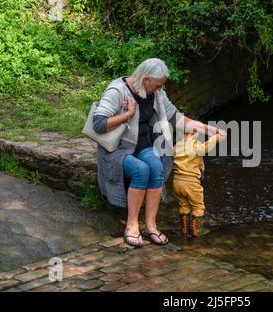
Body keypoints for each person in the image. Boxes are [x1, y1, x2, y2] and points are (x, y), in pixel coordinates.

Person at [92, 58, 225, 247]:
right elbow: (98, 125)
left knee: (156, 166)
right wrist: (127, 115)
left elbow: (176, 118)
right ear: (145, 80)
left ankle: (150, 226)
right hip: (119, 149)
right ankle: (131, 226)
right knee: (140, 170)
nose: (160, 88)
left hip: (144, 145)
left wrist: (209, 130)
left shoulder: (156, 93)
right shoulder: (117, 91)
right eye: (158, 85)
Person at [173, 128, 225, 237]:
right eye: (198, 133)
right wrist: (215, 138)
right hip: (191, 182)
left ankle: (184, 230)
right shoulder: (195, 145)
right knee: (198, 207)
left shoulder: (176, 146)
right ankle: (197, 232)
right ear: (194, 133)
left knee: (183, 205)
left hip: (177, 182)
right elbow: (205, 148)